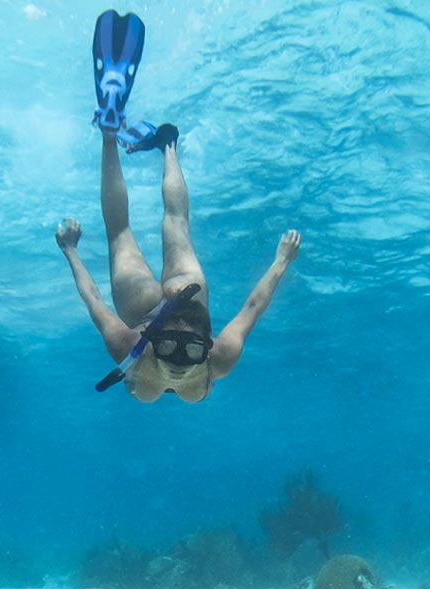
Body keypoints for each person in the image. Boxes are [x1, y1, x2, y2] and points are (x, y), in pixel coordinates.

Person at [56, 10, 300, 402]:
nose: (179, 362)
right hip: (183, 293)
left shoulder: (130, 349)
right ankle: (150, 141)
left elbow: (93, 300)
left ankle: (151, 141)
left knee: (159, 225)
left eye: (177, 349)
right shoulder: (218, 360)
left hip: (171, 298)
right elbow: (252, 307)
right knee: (145, 227)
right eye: (184, 349)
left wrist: (70, 252)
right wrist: (281, 262)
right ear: (209, 342)